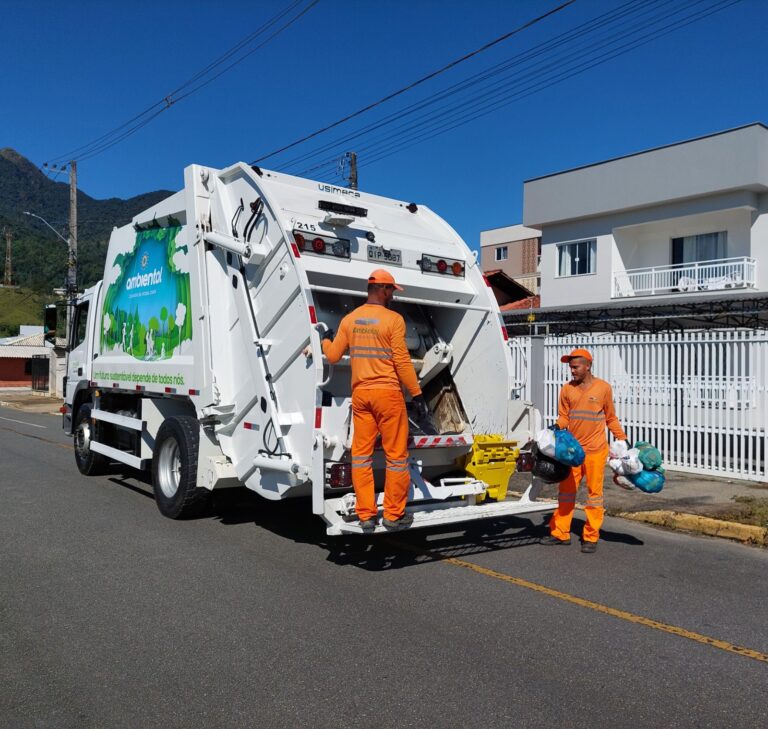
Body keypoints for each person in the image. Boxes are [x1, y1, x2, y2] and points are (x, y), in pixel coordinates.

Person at [319, 269, 430, 532]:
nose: (393, 295)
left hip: (361, 396)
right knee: (396, 457)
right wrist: (417, 393)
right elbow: (402, 362)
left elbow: (333, 356)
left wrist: (324, 340)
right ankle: (393, 515)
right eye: (391, 290)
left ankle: (366, 515)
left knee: (360, 457)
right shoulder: (394, 319)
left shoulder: (350, 320)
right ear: (382, 289)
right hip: (388, 396)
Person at [541, 348, 627, 553]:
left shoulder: (603, 388)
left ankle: (590, 536)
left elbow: (610, 417)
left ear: (587, 366)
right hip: (572, 453)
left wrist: (622, 438)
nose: (572, 371)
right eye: (570, 367)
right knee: (566, 493)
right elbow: (564, 417)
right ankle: (560, 533)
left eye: (575, 367)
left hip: (596, 451)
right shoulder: (566, 389)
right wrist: (555, 427)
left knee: (594, 495)